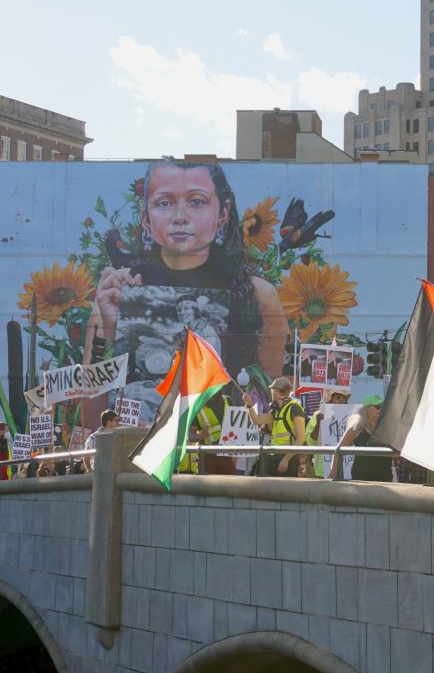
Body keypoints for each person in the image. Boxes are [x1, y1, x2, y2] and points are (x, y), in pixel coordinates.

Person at [86, 159, 288, 381]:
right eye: (164, 203)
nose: (180, 217)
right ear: (146, 218)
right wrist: (110, 332)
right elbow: (94, 410)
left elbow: (273, 397)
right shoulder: (119, 292)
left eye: (197, 201)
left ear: (223, 212)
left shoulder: (260, 295)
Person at [243, 377, 306, 475]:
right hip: (274, 456)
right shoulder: (276, 409)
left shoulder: (295, 408)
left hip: (287, 459)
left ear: (276, 391)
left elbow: (301, 438)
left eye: (272, 390)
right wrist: (249, 405)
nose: (271, 392)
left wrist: (286, 459)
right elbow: (257, 420)